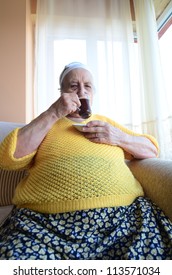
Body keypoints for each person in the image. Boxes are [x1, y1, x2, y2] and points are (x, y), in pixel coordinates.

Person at [0, 62, 171, 260]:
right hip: (44, 224)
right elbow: (9, 158)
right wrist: (54, 112)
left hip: (122, 220)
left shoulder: (107, 124)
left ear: (93, 93)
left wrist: (117, 137)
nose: (81, 91)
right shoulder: (46, 123)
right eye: (73, 86)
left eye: (87, 86)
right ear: (61, 92)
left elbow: (151, 149)